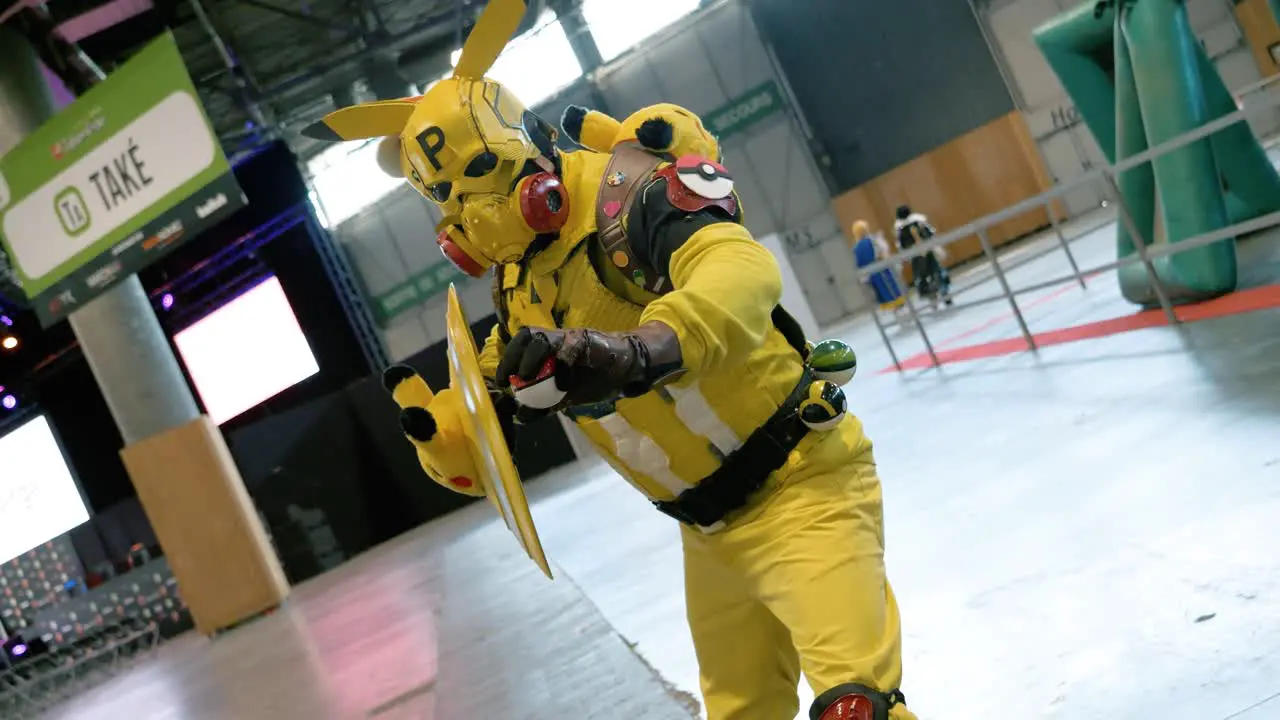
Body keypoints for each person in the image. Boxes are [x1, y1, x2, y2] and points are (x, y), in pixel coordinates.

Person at [305, 3, 917, 717]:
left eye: (480, 179)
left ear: (524, 145)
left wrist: (642, 349)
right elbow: (488, 423)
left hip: (799, 485)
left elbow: (738, 270)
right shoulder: (518, 284)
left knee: (858, 704)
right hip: (707, 534)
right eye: (451, 202)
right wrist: (450, 435)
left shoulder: (633, 197)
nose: (475, 220)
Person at [894, 205, 953, 307]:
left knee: (922, 278)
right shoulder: (919, 221)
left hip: (916, 256)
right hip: (928, 251)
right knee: (937, 272)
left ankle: (932, 298)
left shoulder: (900, 229)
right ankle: (945, 294)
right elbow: (930, 233)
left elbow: (902, 246)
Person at [850, 220, 905, 313]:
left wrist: (864, 278)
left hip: (873, 276)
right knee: (894, 292)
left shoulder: (856, 248)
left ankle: (896, 311)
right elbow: (883, 252)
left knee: (884, 295)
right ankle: (901, 310)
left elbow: (859, 264)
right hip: (884, 270)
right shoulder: (873, 240)